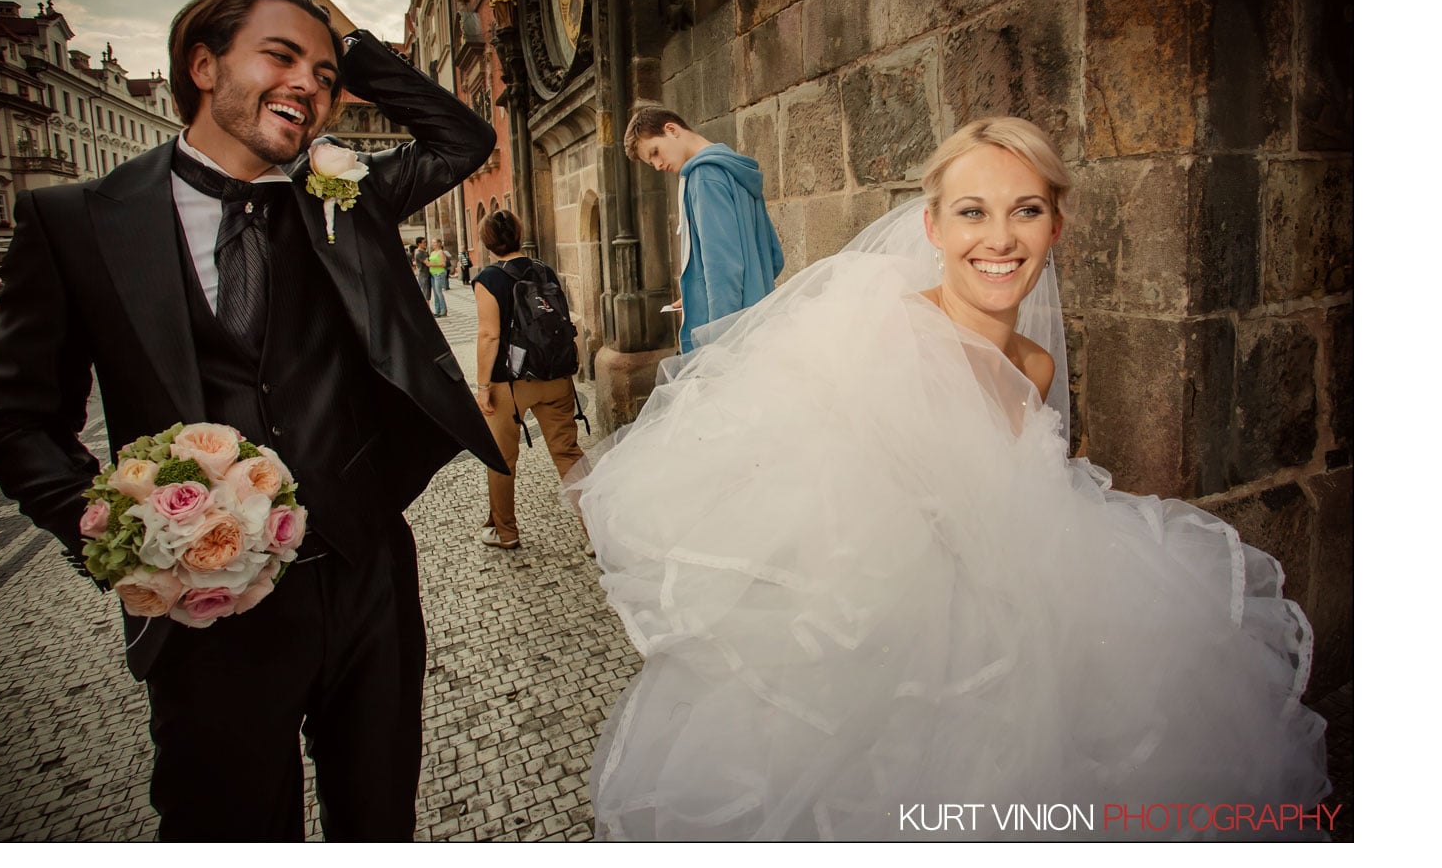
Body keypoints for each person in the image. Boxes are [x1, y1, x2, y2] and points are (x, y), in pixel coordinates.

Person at [568, 117, 1329, 840]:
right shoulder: (877, 335)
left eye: (1025, 211)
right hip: (889, 672)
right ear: (934, 229)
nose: (1000, 239)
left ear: (1054, 228)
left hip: (1022, 645)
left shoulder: (1036, 366)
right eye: (972, 211)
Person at [0, 0, 506, 841]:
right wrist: (115, 533)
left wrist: (357, 48)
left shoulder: (346, 196)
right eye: (282, 55)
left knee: (379, 822)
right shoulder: (75, 223)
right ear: (201, 63)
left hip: (364, 574)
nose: (311, 84)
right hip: (206, 612)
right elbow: (17, 422)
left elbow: (464, 135)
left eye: (326, 76)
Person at [624, 106, 784, 352]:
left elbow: (723, 267)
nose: (656, 165)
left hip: (732, 336)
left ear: (671, 129)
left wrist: (720, 343)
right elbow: (774, 257)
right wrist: (695, 295)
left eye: (655, 152)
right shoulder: (734, 169)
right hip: (759, 320)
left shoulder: (704, 176)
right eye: (650, 162)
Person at [470, 209, 586, 549]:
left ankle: (506, 532)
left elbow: (489, 336)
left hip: (510, 384)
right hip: (555, 375)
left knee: (503, 460)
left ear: (487, 242)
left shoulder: (488, 279)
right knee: (569, 454)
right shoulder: (544, 269)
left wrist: (481, 387)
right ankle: (596, 530)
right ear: (519, 235)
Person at [427, 238, 448, 316]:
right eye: (432, 242)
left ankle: (443, 310)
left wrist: (432, 264)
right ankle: (437, 310)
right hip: (432, 274)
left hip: (439, 273)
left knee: (439, 292)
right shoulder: (432, 253)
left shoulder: (441, 252)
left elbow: (443, 264)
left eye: (434, 242)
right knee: (435, 293)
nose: (433, 244)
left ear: (439, 243)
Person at [412, 234, 432, 301]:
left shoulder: (423, 251)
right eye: (424, 242)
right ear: (419, 243)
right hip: (424, 275)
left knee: (428, 293)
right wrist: (440, 264)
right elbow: (427, 263)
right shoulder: (419, 253)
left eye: (426, 242)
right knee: (426, 294)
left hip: (427, 274)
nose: (425, 243)